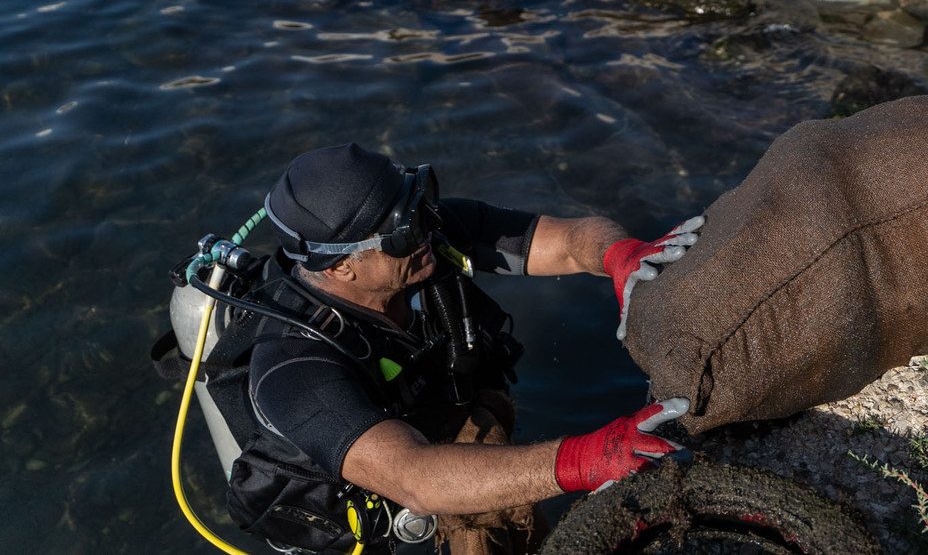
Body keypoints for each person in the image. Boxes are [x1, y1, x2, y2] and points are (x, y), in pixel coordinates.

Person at [236, 143, 702, 553]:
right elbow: (415, 478)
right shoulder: (292, 366)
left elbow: (565, 241)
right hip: (386, 495)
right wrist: (586, 459)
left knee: (507, 522)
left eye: (419, 205)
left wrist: (618, 255)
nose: (425, 231)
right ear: (339, 267)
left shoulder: (423, 239)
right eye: (402, 233)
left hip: (450, 419)